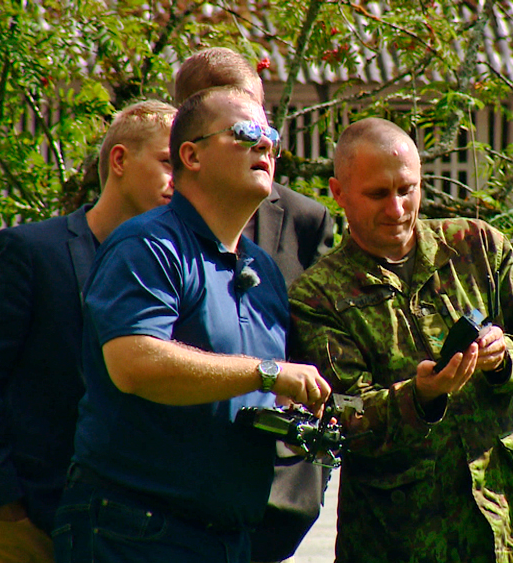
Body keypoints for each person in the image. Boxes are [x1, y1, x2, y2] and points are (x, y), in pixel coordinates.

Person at [52, 86, 332, 563]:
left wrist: (290, 407)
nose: (265, 144)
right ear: (191, 155)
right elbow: (134, 363)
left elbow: (240, 391)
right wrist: (266, 373)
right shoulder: (147, 244)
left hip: (229, 538)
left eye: (270, 134)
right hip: (135, 533)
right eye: (246, 132)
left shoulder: (264, 271)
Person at [288, 117, 513, 563]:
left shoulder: (478, 246)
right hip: (398, 541)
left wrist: (506, 357)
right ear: (339, 193)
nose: (397, 208)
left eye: (407, 189)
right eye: (378, 194)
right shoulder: (316, 297)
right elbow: (339, 418)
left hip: (504, 532)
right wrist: (419, 397)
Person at [0, 99, 176, 563]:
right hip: (12, 528)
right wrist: (4, 499)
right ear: (120, 160)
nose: (178, 181)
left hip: (112, 531)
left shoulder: (168, 270)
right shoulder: (32, 250)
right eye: (167, 162)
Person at [175, 47, 335, 563]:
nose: (261, 138)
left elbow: (320, 353)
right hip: (172, 498)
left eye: (264, 123)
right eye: (242, 127)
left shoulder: (304, 222)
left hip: (273, 501)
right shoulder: (149, 232)